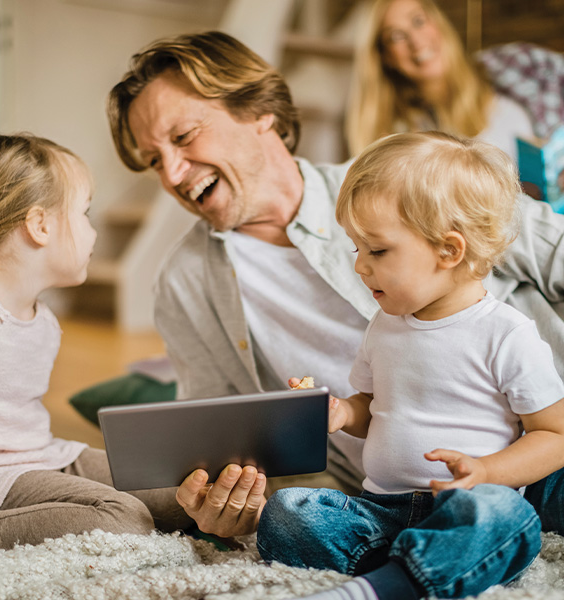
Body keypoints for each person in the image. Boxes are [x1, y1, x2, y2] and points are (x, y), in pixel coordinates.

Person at [107, 30, 564, 539]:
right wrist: (223, 495)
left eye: (184, 137)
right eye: (153, 160)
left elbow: (556, 249)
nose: (170, 173)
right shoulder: (184, 283)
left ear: (261, 111)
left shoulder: (406, 182)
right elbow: (225, 441)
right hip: (388, 495)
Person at [257, 131, 564, 600]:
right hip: (382, 513)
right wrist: (340, 413)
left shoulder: (507, 334)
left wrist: (488, 472)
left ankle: (392, 582)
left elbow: (554, 435)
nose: (360, 266)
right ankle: (411, 569)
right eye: (356, 248)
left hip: (463, 504)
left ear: (449, 250)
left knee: (506, 518)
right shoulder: (384, 326)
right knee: (286, 510)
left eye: (376, 250)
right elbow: (371, 407)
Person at [0, 134, 191, 552]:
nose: (92, 231)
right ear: (39, 225)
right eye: (84, 214)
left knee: (185, 491)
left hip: (42, 455)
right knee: (123, 518)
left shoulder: (44, 318)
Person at [345, 0, 534, 163]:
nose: (416, 42)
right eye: (395, 36)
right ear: (385, 57)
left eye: (418, 21)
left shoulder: (506, 112)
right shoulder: (393, 135)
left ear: (438, 22)